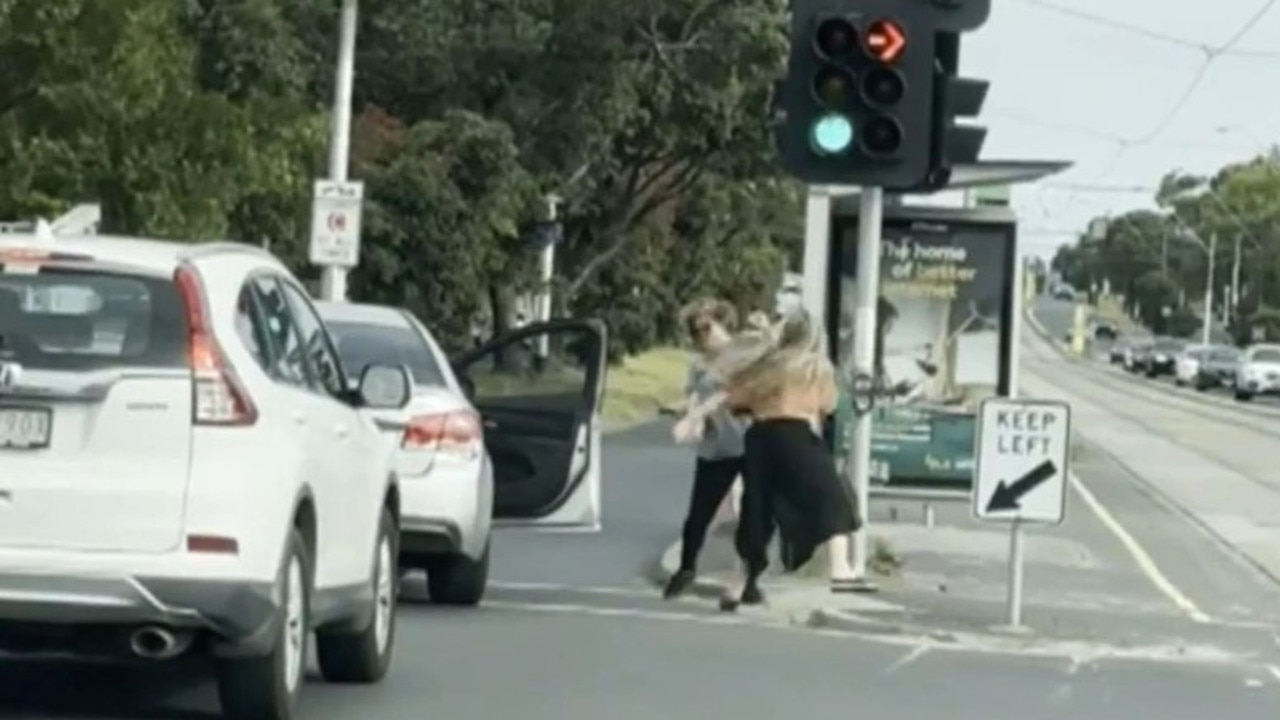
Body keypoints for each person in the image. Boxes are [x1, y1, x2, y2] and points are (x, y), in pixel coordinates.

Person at [710, 308, 870, 611]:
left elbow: (735, 400)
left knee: (757, 510)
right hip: (797, 437)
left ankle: (739, 584)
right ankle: (841, 570)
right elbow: (829, 404)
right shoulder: (815, 365)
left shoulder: (766, 363)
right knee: (834, 496)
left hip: (760, 440)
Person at [664, 298, 748, 599]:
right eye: (695, 331)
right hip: (716, 447)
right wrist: (688, 418)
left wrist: (694, 416)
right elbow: (695, 399)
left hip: (748, 443)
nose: (701, 337)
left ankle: (746, 579)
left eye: (706, 328)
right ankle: (686, 568)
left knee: (751, 515)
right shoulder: (698, 365)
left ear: (723, 324)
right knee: (698, 513)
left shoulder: (742, 356)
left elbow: (730, 394)